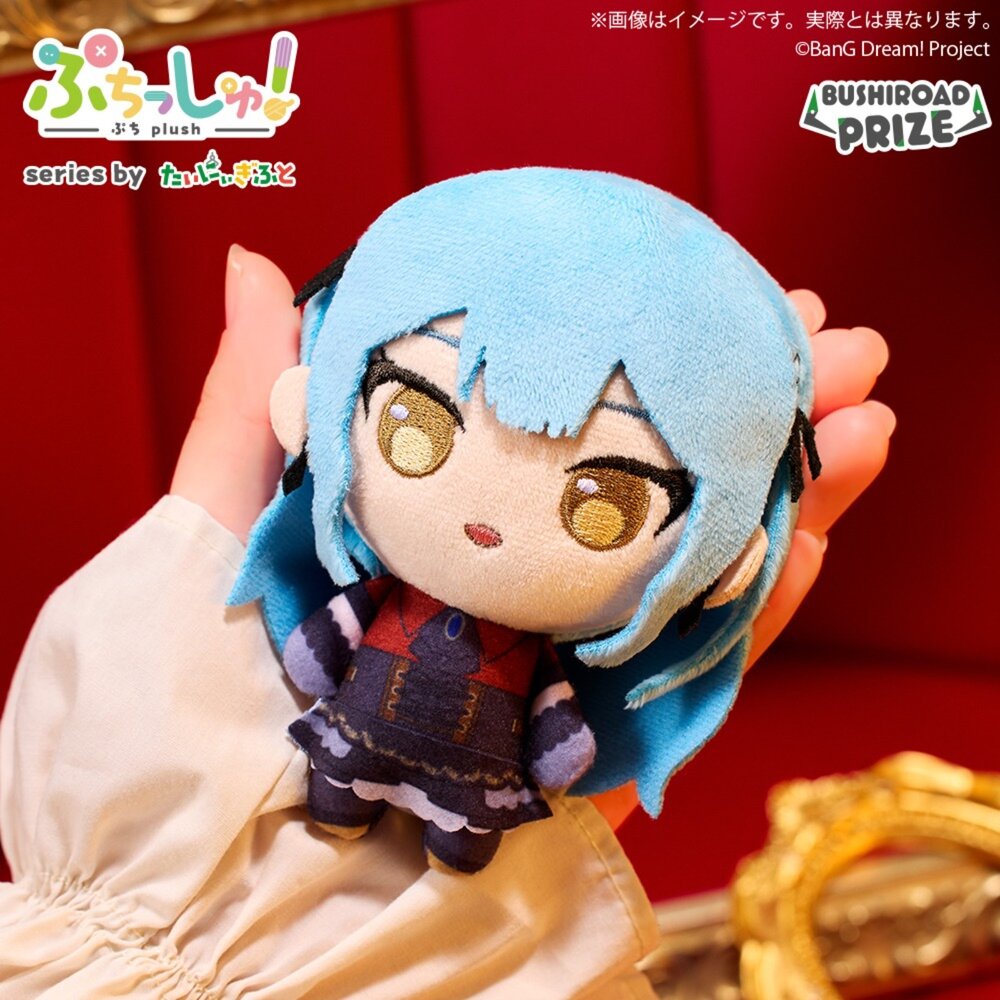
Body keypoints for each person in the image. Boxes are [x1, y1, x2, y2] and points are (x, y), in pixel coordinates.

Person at [0, 243, 893, 997]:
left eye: (604, 502)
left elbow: (552, 716)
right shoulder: (381, 599)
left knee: (464, 819)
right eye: (419, 427)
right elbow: (327, 646)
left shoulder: (530, 647)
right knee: (343, 768)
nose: (491, 520)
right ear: (309, 409)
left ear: (728, 565)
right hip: (349, 738)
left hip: (470, 775)